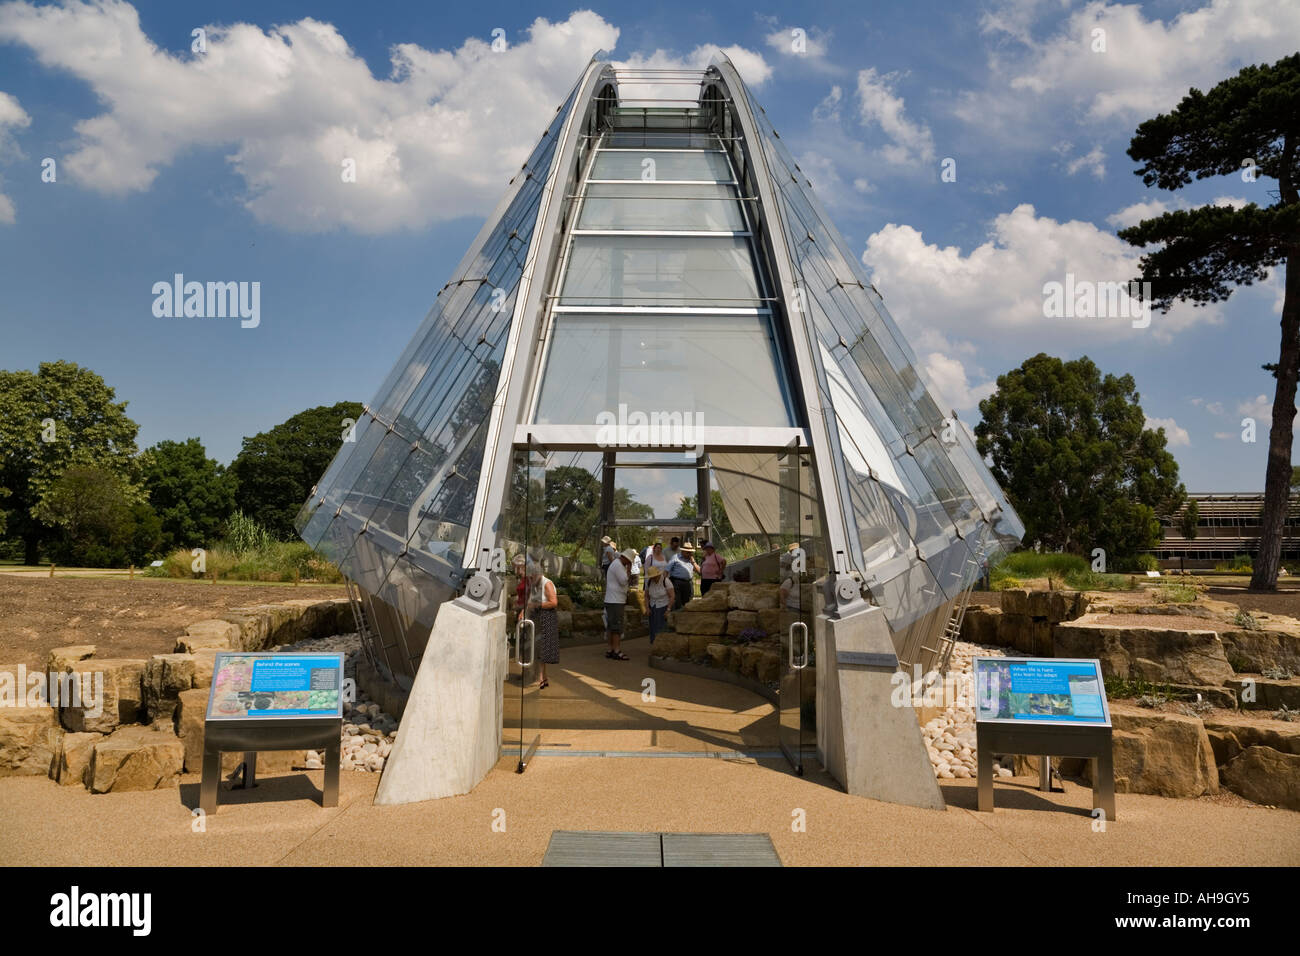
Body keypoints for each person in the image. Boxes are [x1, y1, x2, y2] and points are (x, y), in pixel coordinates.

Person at [524, 561, 560, 689]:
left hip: (546, 617)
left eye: (531, 575)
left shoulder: (546, 583)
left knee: (541, 649)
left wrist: (536, 605)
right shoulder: (535, 584)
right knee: (539, 649)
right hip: (538, 617)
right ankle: (543, 677)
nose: (530, 578)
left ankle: (540, 677)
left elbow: (553, 602)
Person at [604, 548, 635, 660]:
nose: (630, 563)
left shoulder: (617, 564)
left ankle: (610, 649)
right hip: (615, 600)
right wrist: (629, 570)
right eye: (630, 561)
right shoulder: (618, 565)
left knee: (611, 626)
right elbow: (623, 581)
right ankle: (616, 650)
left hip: (614, 600)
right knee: (616, 626)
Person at [644, 565, 674, 644]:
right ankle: (655, 645)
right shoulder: (649, 582)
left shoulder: (666, 581)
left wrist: (668, 610)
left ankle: (662, 645)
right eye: (651, 577)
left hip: (663, 606)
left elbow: (672, 596)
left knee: (662, 627)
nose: (653, 578)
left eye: (654, 576)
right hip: (653, 606)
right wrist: (647, 608)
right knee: (653, 627)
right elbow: (646, 596)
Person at [667, 540, 697, 609]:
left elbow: (699, 571)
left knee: (688, 603)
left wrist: (693, 562)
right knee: (677, 602)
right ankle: (677, 616)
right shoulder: (675, 557)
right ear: (682, 551)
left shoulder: (691, 559)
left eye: (690, 552)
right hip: (677, 582)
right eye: (688, 552)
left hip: (688, 583)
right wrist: (664, 582)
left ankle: (686, 617)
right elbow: (667, 570)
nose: (689, 554)